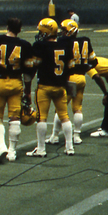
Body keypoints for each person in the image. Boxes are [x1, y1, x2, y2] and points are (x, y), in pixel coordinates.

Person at [0, 17, 32, 163]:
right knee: (15, 117)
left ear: (7, 27)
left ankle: (1, 146)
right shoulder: (25, 45)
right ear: (20, 29)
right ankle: (12, 151)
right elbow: (28, 72)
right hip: (17, 82)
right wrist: (28, 91)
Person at [26, 18, 75, 157]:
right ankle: (69, 147)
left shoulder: (40, 46)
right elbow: (70, 68)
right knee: (65, 116)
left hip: (45, 87)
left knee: (42, 118)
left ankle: (41, 149)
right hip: (61, 86)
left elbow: (33, 65)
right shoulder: (64, 45)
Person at [47, 19, 100, 145]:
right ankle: (77, 136)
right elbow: (94, 61)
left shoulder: (64, 42)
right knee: (77, 108)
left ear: (70, 31)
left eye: (64, 30)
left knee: (61, 108)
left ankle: (54, 136)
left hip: (70, 78)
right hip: (82, 78)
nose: (62, 32)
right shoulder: (85, 41)